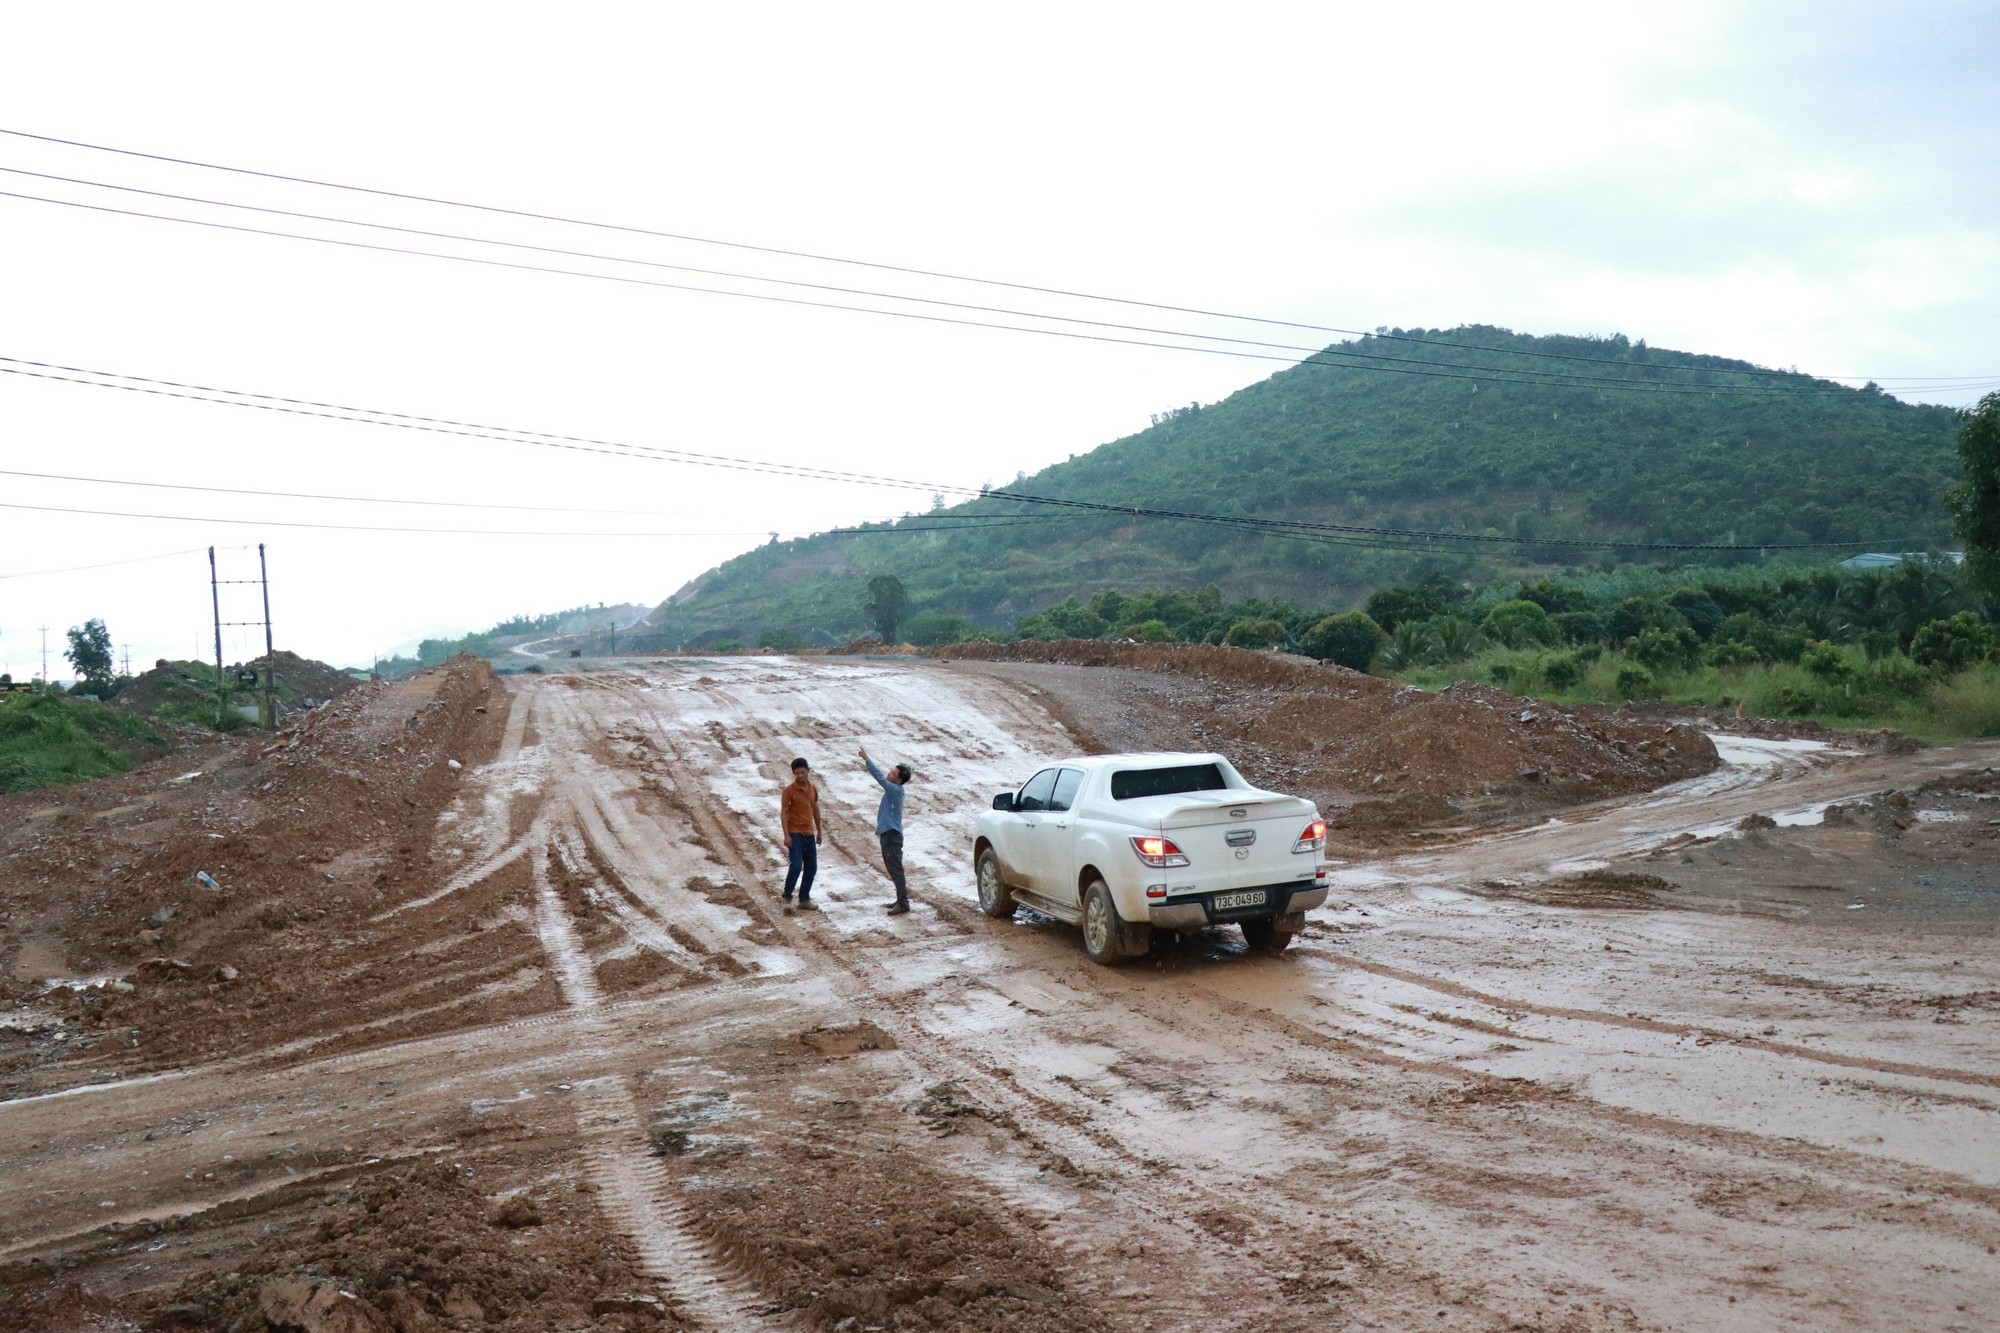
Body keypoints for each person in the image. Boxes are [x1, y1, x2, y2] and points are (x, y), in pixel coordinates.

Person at [859, 746, 914, 915]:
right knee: (893, 869)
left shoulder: (894, 789)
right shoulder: (896, 789)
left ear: (898, 780)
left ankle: (903, 903)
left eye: (892, 773)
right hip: (890, 834)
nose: (889, 774)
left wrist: (867, 759)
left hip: (891, 835)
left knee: (895, 869)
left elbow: (878, 776)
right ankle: (901, 900)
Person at [780, 756, 823, 909]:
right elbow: (784, 813)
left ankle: (804, 899)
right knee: (797, 865)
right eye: (797, 773)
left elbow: (815, 810)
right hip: (795, 833)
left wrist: (819, 831)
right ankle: (787, 896)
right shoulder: (789, 791)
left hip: (809, 833)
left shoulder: (813, 789)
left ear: (808, 771)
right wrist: (786, 835)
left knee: (811, 867)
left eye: (802, 772)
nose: (800, 776)